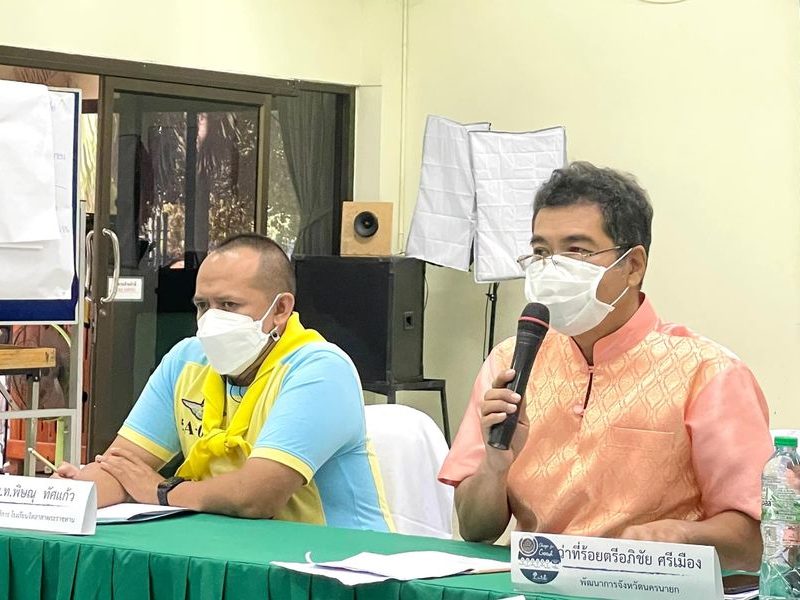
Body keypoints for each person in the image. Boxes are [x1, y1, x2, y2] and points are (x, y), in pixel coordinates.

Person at [439, 162, 772, 570]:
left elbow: (756, 541)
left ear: (633, 266)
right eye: (541, 252)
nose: (552, 267)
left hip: (650, 588)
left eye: (577, 250)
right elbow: (475, 529)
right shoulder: (510, 363)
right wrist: (495, 465)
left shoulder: (708, 374)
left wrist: (682, 536)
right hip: (535, 583)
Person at [58, 233, 393, 531]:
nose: (210, 320)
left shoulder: (319, 370)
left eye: (228, 305)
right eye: (203, 305)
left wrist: (162, 491)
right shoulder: (186, 360)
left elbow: (256, 497)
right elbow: (123, 466)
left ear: (280, 309)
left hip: (337, 563)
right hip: (229, 548)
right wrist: (73, 492)